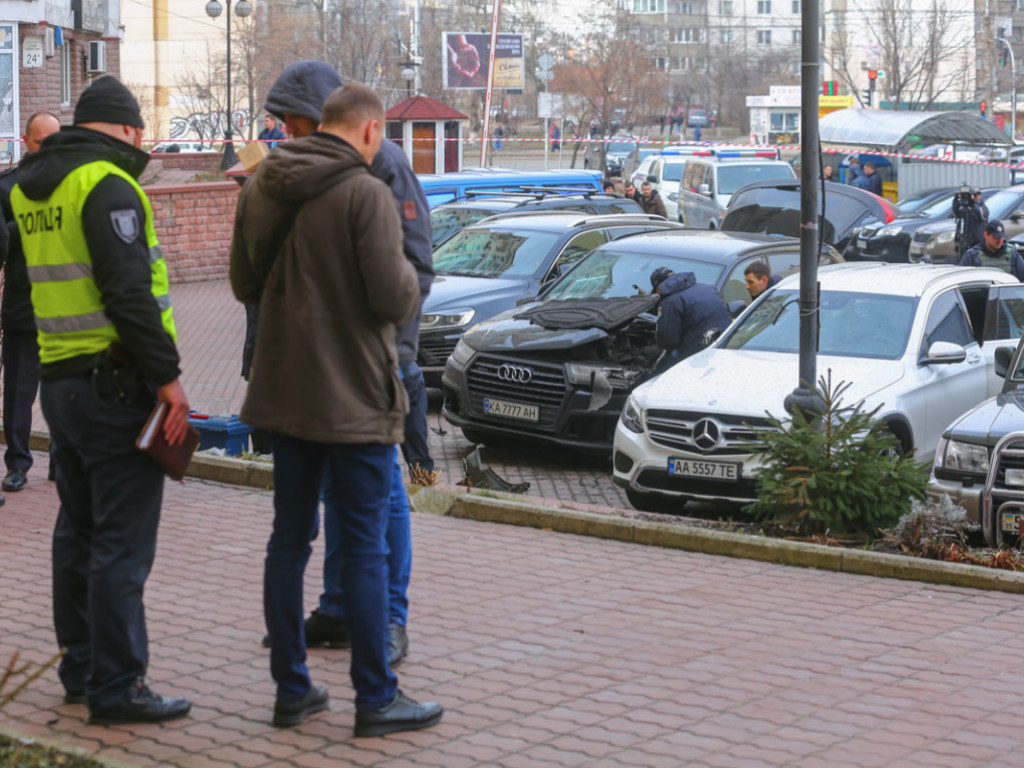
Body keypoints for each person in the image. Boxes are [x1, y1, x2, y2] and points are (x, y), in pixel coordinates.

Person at [230, 82, 443, 736]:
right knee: (364, 545)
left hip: (285, 391)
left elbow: (243, 284)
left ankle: (291, 690)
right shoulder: (366, 193)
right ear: (371, 132)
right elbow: (394, 296)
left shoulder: (263, 185)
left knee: (287, 541)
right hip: (353, 396)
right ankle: (375, 699)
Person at [10, 76, 192, 724]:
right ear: (125, 130)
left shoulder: (36, 189)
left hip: (60, 384)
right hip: (115, 387)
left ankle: (81, 669)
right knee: (120, 543)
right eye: (137, 129)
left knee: (77, 532)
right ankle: (119, 687)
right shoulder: (106, 184)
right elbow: (128, 293)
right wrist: (168, 379)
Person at [0, 112, 60, 494]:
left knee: (65, 390)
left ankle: (63, 461)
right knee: (19, 393)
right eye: (41, 141)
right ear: (26, 142)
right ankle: (18, 464)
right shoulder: (7, 188)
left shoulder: (73, 185)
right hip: (23, 306)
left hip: (66, 312)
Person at [650, 267, 732, 370]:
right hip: (728, 343)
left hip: (699, 353)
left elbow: (668, 340)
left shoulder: (670, 302)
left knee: (660, 369)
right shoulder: (709, 288)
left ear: (658, 288)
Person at [959, 220, 1024, 281]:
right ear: (986, 235)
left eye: (1001, 237)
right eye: (996, 237)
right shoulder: (972, 256)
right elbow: (961, 280)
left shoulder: (1013, 255)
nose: (999, 241)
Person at [952, 187, 988, 252]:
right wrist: (956, 199)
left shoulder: (982, 207)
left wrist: (973, 203)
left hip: (978, 241)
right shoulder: (967, 207)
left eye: (978, 194)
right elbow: (956, 212)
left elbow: (980, 214)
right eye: (974, 195)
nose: (976, 197)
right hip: (967, 241)